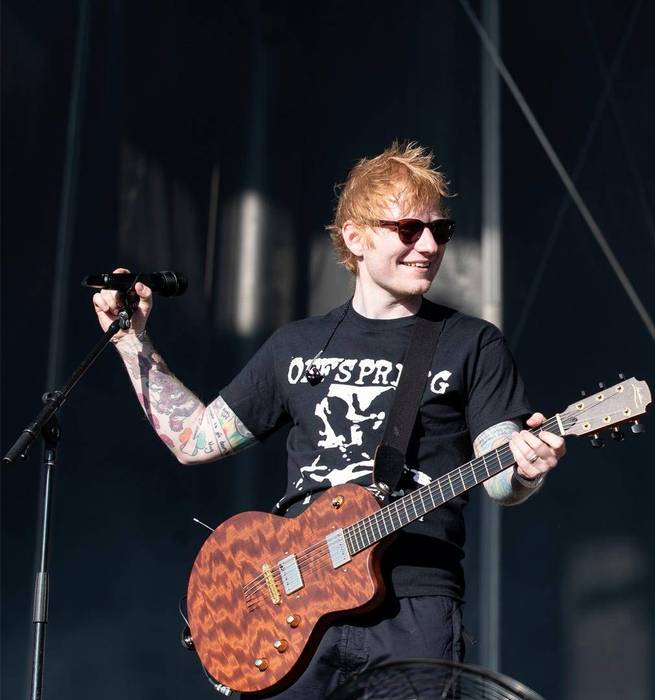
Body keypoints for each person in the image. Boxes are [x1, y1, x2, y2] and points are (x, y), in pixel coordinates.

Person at [92, 142, 566, 698]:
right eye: (408, 229)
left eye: (441, 230)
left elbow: (501, 474)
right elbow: (195, 440)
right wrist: (131, 341)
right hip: (293, 608)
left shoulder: (471, 342)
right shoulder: (296, 344)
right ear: (355, 238)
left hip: (412, 603)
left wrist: (526, 468)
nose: (429, 246)